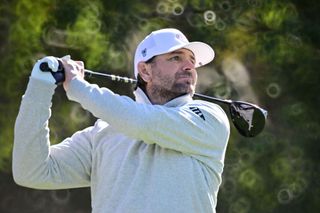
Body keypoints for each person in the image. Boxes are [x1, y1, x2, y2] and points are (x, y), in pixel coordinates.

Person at [13, 28, 230, 213]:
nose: (189, 67)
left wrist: (78, 87)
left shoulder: (208, 117)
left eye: (192, 60)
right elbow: (31, 171)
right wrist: (39, 88)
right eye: (176, 58)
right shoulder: (102, 134)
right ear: (145, 71)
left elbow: (144, 123)